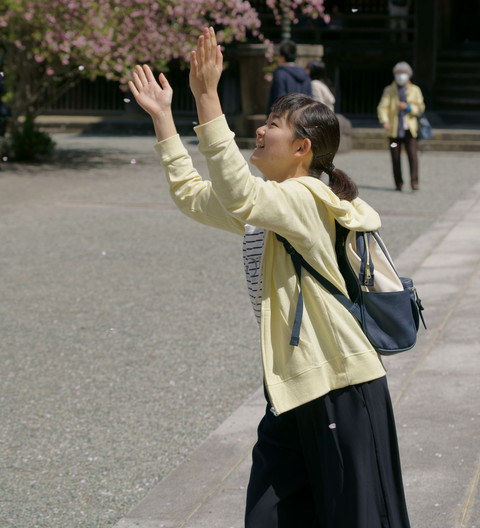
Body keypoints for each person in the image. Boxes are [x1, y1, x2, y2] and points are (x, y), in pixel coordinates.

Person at [128, 27, 411, 528]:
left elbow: (237, 192)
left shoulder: (307, 199)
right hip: (288, 391)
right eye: (264, 121)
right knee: (270, 517)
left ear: (302, 147)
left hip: (339, 388)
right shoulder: (271, 204)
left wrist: (208, 97)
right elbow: (197, 197)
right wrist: (164, 121)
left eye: (273, 124)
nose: (261, 130)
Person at [377, 61, 425, 191]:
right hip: (394, 131)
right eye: (398, 73)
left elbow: (420, 109)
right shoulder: (389, 90)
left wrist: (408, 107)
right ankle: (398, 183)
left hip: (410, 130)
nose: (400, 76)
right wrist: (384, 121)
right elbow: (382, 107)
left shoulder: (415, 90)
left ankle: (414, 182)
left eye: (403, 73)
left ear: (408, 75)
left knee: (413, 155)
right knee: (395, 156)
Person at [266, 39, 311, 114]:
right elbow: (310, 98)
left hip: (286, 119)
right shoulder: (305, 74)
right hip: (304, 118)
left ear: (282, 57)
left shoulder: (280, 74)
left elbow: (279, 99)